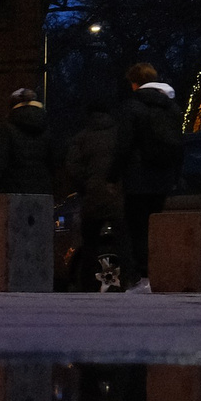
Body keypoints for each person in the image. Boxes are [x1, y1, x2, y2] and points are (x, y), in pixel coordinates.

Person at [111, 64, 185, 292]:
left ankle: (139, 278)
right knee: (154, 227)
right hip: (162, 177)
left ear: (134, 83)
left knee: (135, 230)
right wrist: (175, 175)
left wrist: (112, 174)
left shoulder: (131, 106)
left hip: (137, 178)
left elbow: (123, 145)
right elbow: (179, 145)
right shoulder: (172, 108)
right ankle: (154, 276)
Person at [64, 98, 126, 291]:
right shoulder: (119, 135)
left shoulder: (81, 138)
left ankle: (88, 286)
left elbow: (72, 167)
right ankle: (129, 282)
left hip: (91, 198)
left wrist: (86, 186)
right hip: (118, 195)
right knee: (123, 241)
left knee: (90, 243)